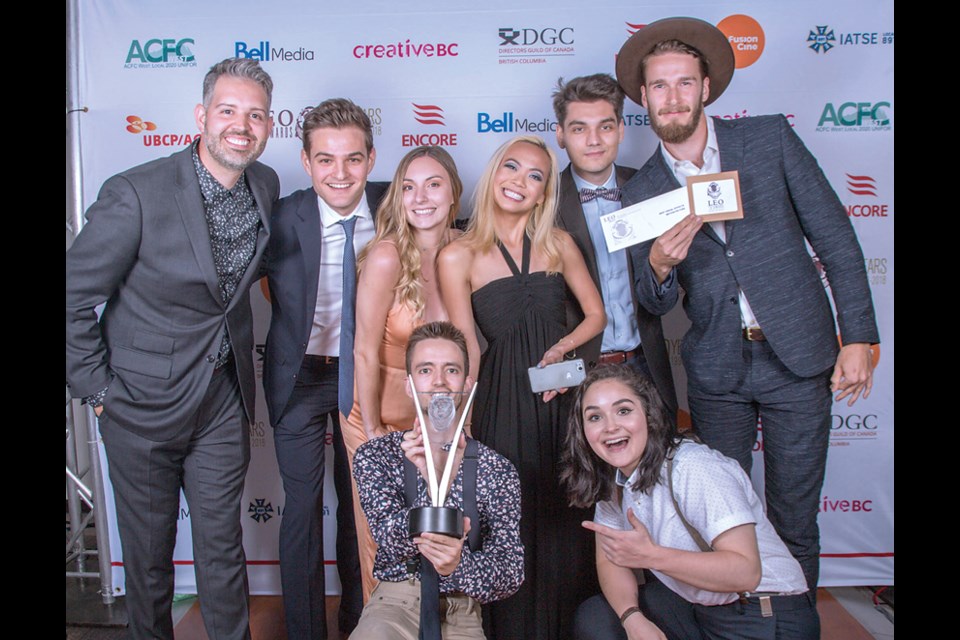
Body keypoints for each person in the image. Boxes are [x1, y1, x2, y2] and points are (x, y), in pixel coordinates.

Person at [615, 17, 880, 592]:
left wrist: (858, 336)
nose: (673, 97)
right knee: (720, 522)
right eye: (659, 87)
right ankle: (732, 625)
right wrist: (659, 264)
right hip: (717, 374)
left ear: (706, 88)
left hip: (798, 359)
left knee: (794, 516)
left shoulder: (767, 138)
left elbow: (835, 237)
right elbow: (651, 303)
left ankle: (794, 623)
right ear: (643, 98)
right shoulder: (640, 193)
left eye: (684, 83)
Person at [65, 58, 278, 640]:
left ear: (268, 125)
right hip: (139, 405)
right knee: (150, 561)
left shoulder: (264, 185)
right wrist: (98, 390)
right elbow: (72, 295)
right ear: (201, 116)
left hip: (221, 403)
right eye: (229, 110)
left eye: (255, 114)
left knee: (222, 552)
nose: (242, 124)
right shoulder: (136, 192)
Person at [438, 135, 605, 640]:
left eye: (535, 176)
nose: (520, 181)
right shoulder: (457, 255)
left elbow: (597, 315)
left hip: (562, 398)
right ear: (494, 175)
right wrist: (455, 420)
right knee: (510, 519)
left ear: (543, 192)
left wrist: (563, 351)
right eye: (512, 168)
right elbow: (467, 342)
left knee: (568, 513)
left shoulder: (559, 243)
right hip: (499, 404)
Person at [562, 365, 818, 640]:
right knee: (598, 618)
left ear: (648, 415)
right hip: (700, 608)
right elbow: (610, 561)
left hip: (764, 610)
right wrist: (632, 618)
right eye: (595, 417)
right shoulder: (613, 479)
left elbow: (746, 572)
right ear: (583, 431)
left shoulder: (694, 467)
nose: (610, 426)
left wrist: (650, 556)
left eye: (623, 410)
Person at [262, 98, 387, 638]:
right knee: (303, 506)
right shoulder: (280, 216)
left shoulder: (396, 209)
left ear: (372, 159)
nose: (340, 173)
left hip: (366, 375)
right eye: (327, 160)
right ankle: (306, 630)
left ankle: (361, 618)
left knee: (363, 503)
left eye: (353, 159)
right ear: (307, 161)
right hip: (300, 378)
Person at [343, 145, 464, 601]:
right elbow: (363, 351)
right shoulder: (386, 255)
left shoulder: (467, 251)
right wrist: (373, 434)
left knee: (445, 535)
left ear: (453, 192)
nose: (420, 197)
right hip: (378, 414)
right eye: (408, 187)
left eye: (433, 184)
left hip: (441, 419)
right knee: (385, 541)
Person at [351, 321, 524, 639]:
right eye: (426, 370)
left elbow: (510, 572)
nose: (440, 382)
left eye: (452, 370)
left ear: (468, 384)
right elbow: (389, 540)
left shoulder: (497, 469)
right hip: (393, 605)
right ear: (409, 384)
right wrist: (432, 486)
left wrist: (459, 566)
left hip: (463, 611)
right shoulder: (376, 456)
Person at [552, 73, 678, 419]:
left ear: (621, 130)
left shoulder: (649, 187)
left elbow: (665, 302)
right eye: (579, 129)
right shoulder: (541, 202)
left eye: (605, 127)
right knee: (577, 472)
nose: (594, 140)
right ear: (561, 135)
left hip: (644, 364)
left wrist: (662, 271)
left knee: (656, 469)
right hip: (572, 371)